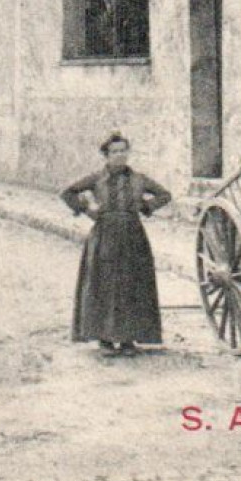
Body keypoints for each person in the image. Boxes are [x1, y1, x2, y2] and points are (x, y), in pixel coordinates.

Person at [60, 132, 172, 357]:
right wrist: (87, 210)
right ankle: (106, 339)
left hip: (133, 235)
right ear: (106, 155)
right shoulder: (97, 179)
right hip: (104, 236)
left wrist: (146, 207)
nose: (120, 156)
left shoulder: (139, 179)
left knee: (132, 285)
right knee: (105, 286)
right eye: (114, 152)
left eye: (123, 151)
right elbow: (68, 193)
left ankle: (129, 339)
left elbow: (164, 195)